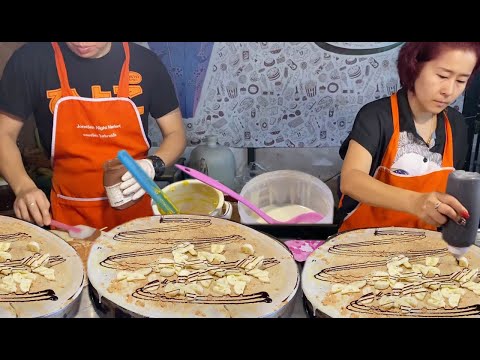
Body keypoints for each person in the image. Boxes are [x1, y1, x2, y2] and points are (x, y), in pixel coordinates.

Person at [0, 42, 186, 230]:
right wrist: (23, 186)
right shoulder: (31, 61)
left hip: (136, 211)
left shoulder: (146, 63)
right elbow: (4, 134)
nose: (82, 42)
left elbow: (175, 133)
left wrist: (153, 164)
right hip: (70, 215)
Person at [338, 42, 480, 232]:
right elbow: (351, 180)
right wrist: (416, 202)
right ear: (414, 67)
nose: (449, 90)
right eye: (442, 76)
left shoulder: (456, 125)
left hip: (422, 249)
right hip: (362, 240)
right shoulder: (377, 116)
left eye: (461, 81)